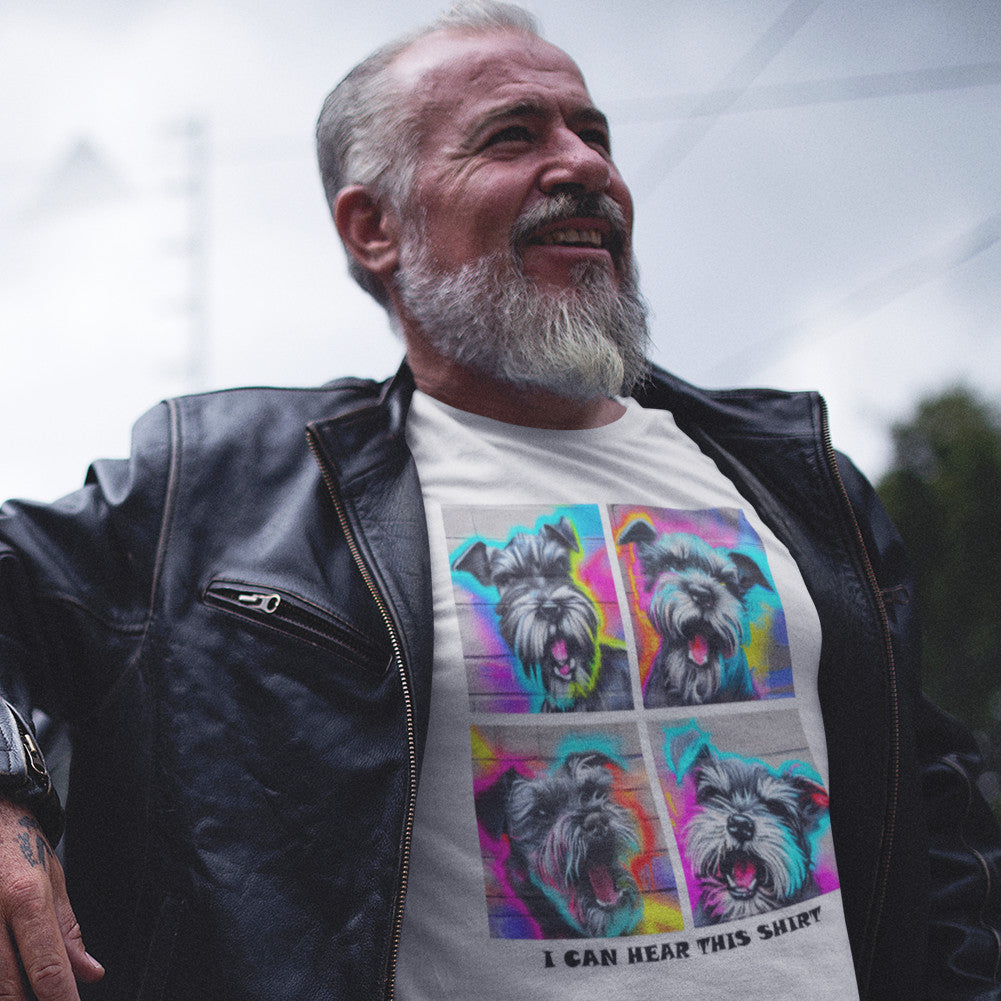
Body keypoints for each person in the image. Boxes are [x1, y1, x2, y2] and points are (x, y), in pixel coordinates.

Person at [1, 2, 999, 999]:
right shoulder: (219, 489)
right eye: (512, 135)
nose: (583, 165)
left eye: (593, 132)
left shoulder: (796, 477)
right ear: (374, 224)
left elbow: (937, 821)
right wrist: (9, 793)